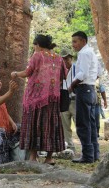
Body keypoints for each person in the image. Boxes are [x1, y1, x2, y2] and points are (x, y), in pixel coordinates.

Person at [11, 34, 67, 164]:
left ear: (38, 45)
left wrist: (15, 74)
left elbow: (27, 72)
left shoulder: (37, 55)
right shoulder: (58, 58)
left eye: (34, 45)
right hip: (53, 98)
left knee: (35, 125)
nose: (34, 48)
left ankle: (33, 157)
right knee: (51, 125)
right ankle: (49, 158)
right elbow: (64, 75)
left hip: (36, 99)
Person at [69, 31, 99, 163]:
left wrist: (72, 85)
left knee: (83, 124)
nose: (73, 45)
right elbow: (98, 72)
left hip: (84, 89)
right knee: (91, 123)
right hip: (91, 89)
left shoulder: (84, 53)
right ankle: (94, 153)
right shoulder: (92, 52)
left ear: (83, 41)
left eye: (75, 41)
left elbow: (82, 73)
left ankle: (87, 155)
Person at [60, 49, 76, 153]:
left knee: (79, 124)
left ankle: (85, 147)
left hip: (75, 99)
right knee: (65, 125)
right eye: (63, 59)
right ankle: (70, 147)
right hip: (64, 100)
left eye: (67, 58)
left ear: (71, 58)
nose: (65, 61)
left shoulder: (76, 68)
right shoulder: (60, 71)